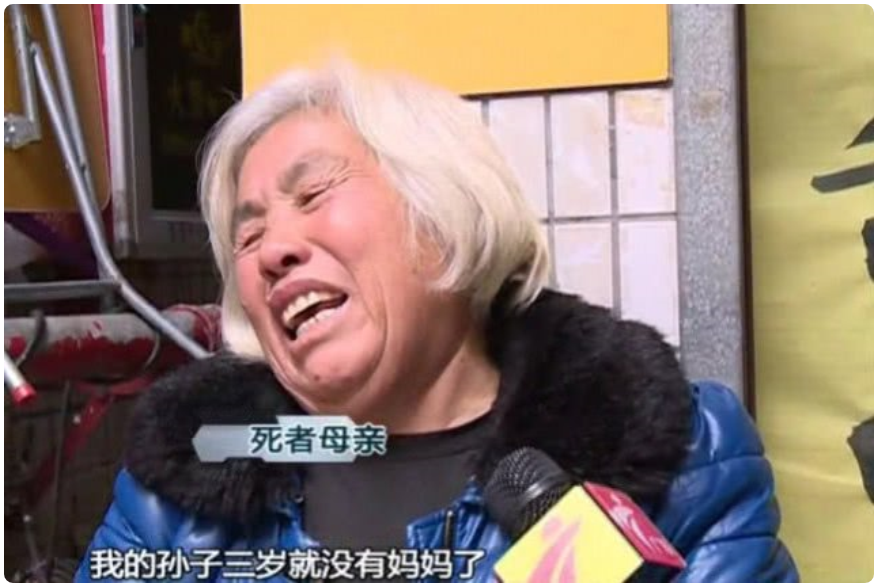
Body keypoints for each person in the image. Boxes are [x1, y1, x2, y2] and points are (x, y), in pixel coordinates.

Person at [75, 60, 799, 582]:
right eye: (249, 233)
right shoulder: (181, 488)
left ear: (444, 212)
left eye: (315, 194)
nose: (272, 251)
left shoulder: (680, 457)